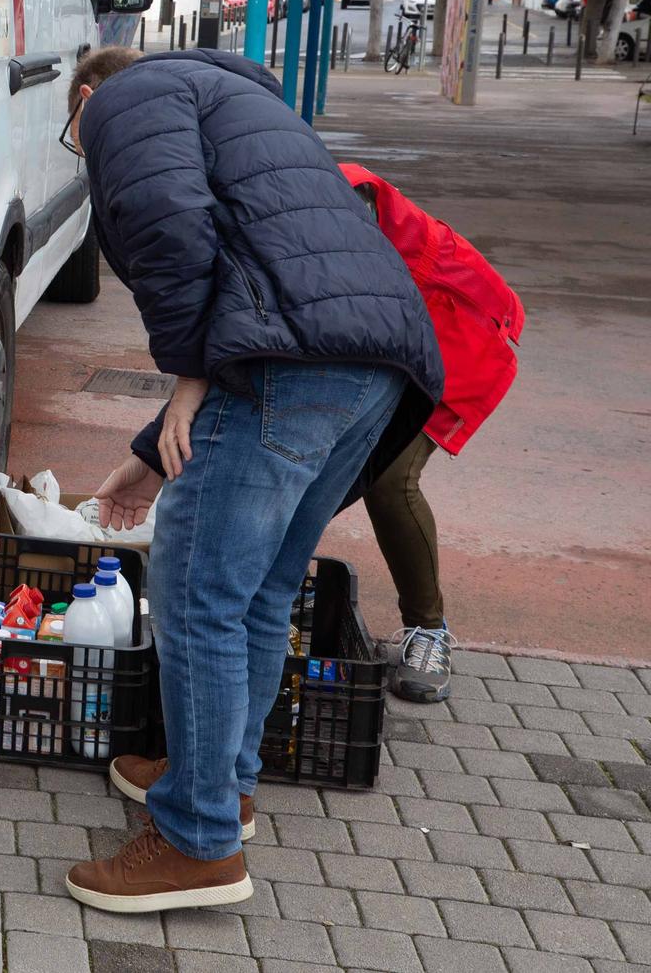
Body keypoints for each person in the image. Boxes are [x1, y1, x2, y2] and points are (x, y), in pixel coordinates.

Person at [58, 46, 443, 914]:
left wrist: (189, 370)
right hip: (375, 363)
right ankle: (223, 783)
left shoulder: (127, 99)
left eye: (73, 133)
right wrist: (150, 453)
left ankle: (197, 841)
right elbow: (259, 265)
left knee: (200, 595)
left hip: (284, 362)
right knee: (262, 592)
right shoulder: (236, 99)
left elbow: (166, 219)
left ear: (87, 96)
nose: (84, 148)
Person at [340, 162, 525, 703]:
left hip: (459, 343)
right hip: (399, 338)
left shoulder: (355, 210)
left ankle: (429, 630)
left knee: (390, 479)